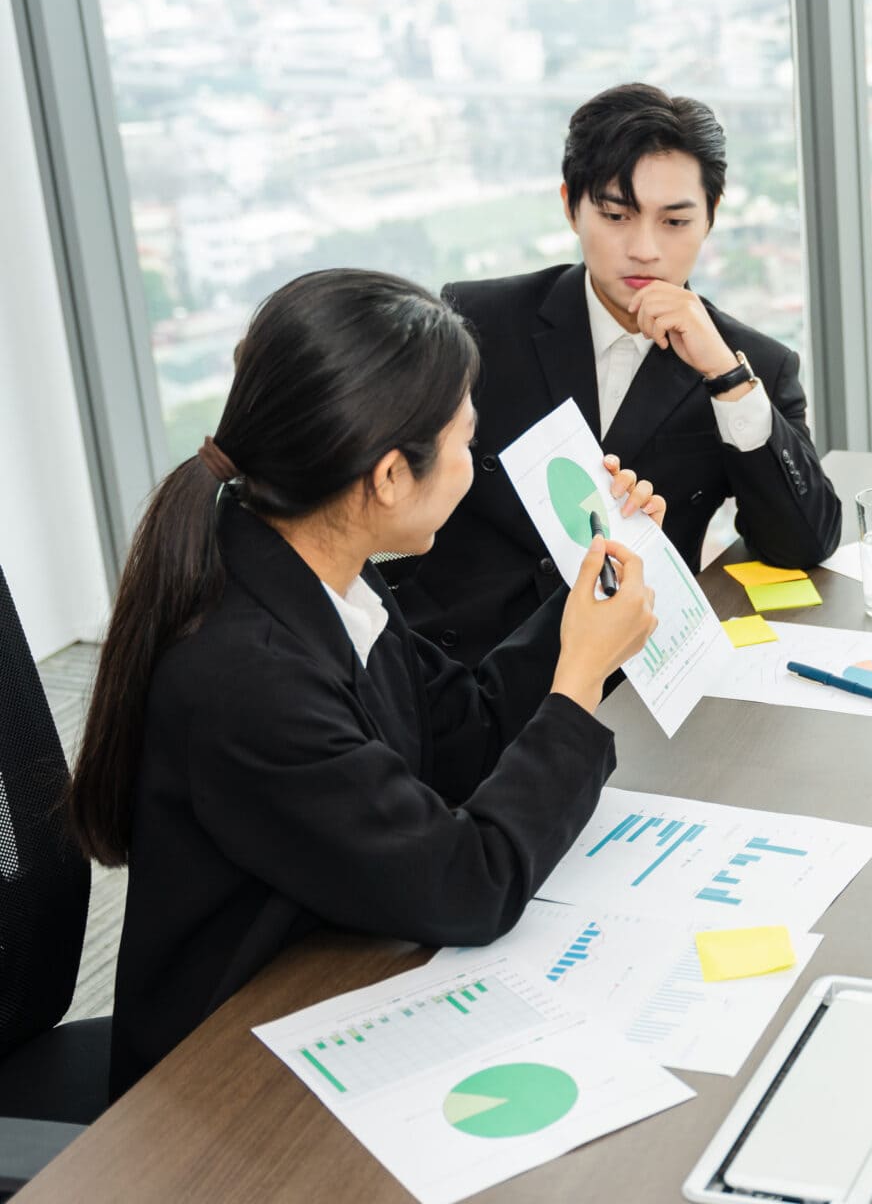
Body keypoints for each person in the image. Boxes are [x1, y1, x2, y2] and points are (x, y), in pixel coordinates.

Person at [68, 270, 663, 1098]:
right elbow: (470, 883)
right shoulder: (248, 678)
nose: (474, 461)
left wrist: (590, 596)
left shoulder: (321, 569)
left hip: (328, 976)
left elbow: (468, 734)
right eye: (463, 440)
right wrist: (580, 679)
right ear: (387, 477)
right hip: (226, 1079)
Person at [384, 82, 840, 665]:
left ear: (711, 218)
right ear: (570, 204)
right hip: (462, 663)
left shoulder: (753, 366)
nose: (644, 249)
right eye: (616, 215)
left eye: (675, 222)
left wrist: (725, 376)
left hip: (636, 675)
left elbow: (805, 542)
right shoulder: (480, 321)